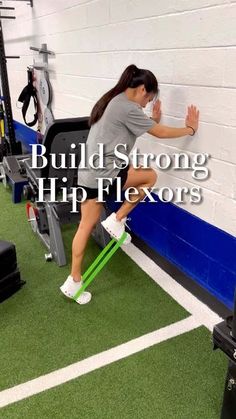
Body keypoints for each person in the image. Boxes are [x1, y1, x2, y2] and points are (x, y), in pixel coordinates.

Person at [60, 64, 199, 304]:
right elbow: (161, 133)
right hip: (104, 174)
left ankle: (74, 281)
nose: (147, 104)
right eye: (149, 98)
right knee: (150, 177)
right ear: (142, 89)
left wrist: (151, 119)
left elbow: (131, 126)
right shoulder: (126, 107)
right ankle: (116, 219)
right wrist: (189, 129)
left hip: (87, 174)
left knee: (84, 226)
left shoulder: (113, 100)